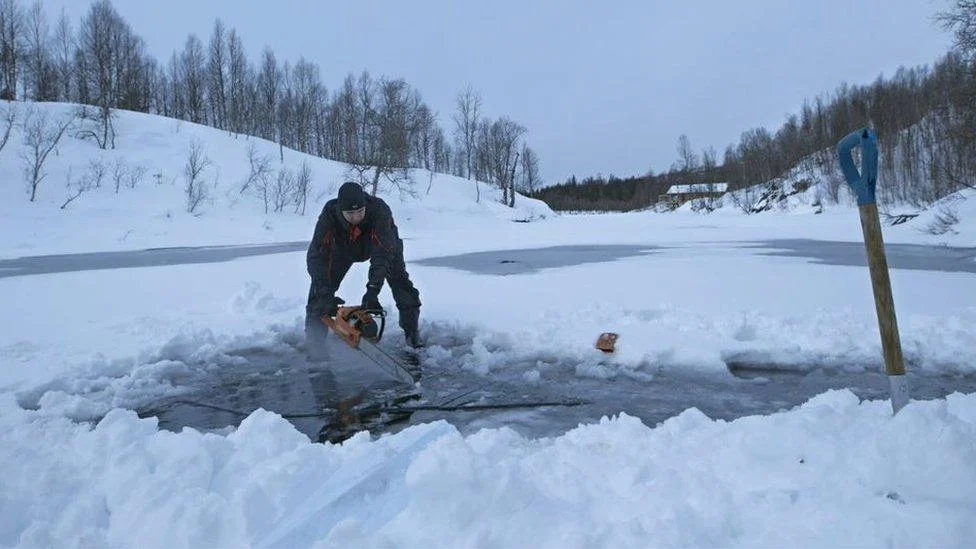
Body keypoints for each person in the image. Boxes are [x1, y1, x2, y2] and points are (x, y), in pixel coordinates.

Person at [306, 181, 423, 348]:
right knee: (318, 296)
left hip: (385, 246)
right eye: (350, 214)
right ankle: (314, 343)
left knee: (401, 284)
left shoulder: (379, 209)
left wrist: (373, 291)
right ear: (340, 210)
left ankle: (412, 335)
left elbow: (382, 253)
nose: (355, 217)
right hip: (343, 249)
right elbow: (317, 255)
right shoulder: (329, 213)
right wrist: (325, 291)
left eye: (360, 211)